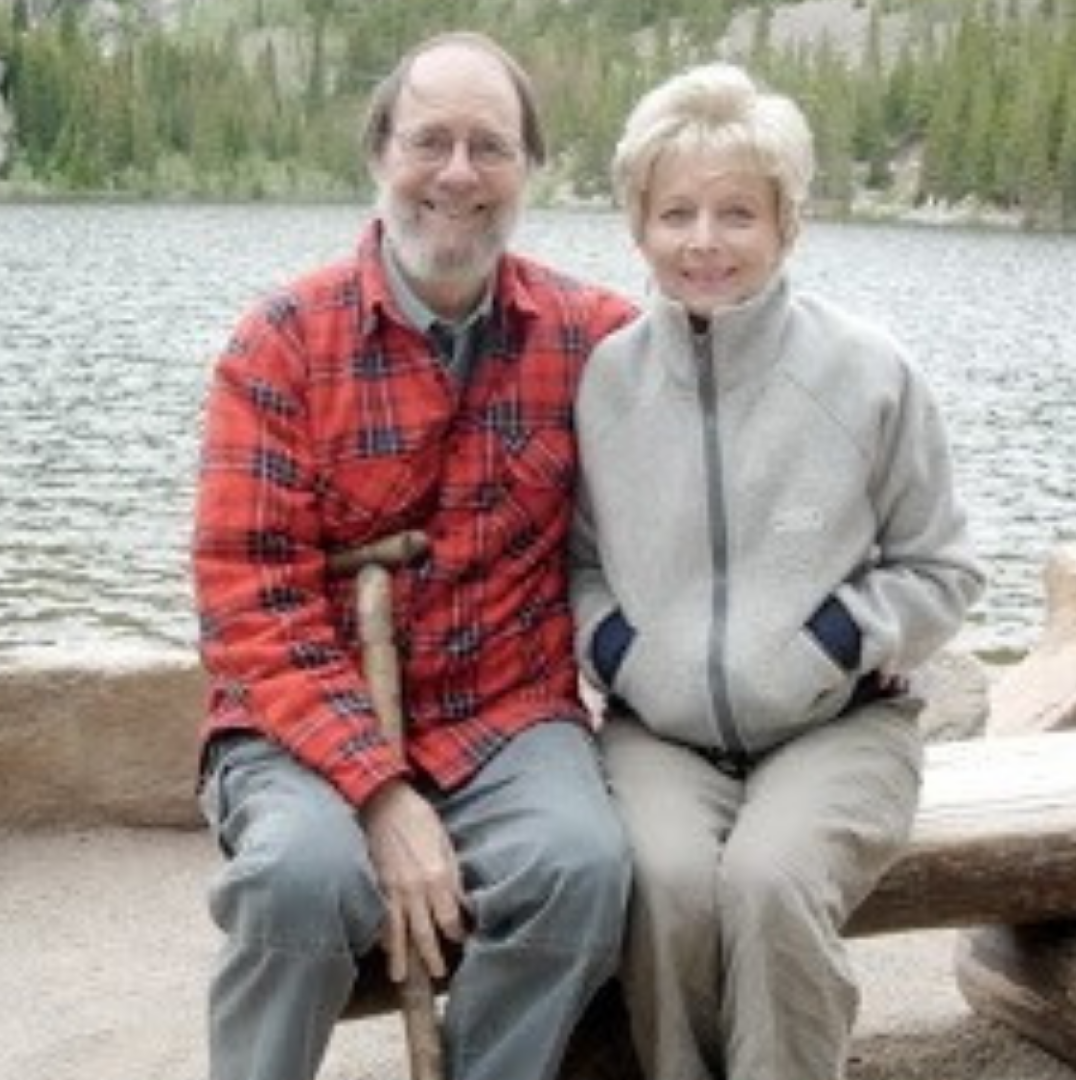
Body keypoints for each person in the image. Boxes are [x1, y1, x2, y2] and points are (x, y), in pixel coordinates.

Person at [192, 31, 635, 1080]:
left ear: (530, 168)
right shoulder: (281, 343)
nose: (457, 173)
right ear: (378, 153)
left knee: (583, 867)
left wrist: (865, 589)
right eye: (428, 140)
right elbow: (245, 601)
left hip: (507, 711)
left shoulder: (597, 339)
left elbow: (738, 381)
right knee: (301, 881)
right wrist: (381, 794)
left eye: (490, 145)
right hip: (295, 724)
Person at [570, 62, 985, 1080]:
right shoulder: (606, 383)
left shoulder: (868, 371)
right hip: (660, 734)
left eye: (736, 213)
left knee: (767, 881)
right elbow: (578, 564)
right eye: (676, 213)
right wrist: (622, 650)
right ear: (639, 227)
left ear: (787, 223)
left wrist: (839, 638)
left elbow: (945, 569)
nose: (704, 240)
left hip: (840, 725)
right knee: (660, 883)